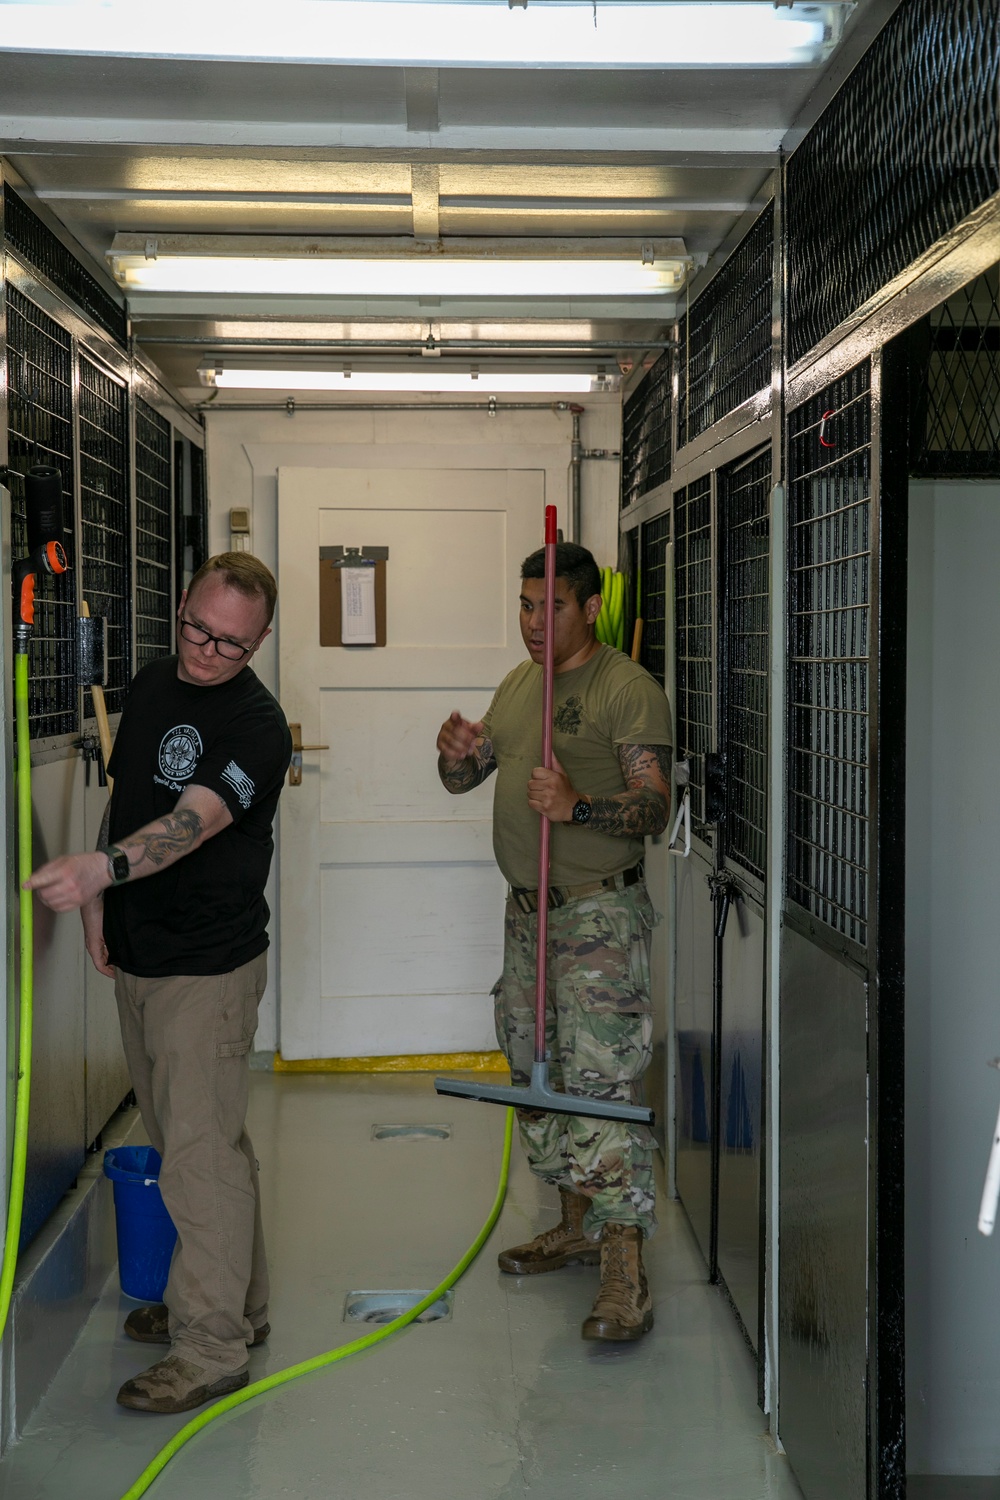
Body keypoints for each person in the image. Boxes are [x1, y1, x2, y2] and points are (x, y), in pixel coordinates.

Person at [27, 553, 292, 1413]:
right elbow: (131, 793)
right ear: (181, 608)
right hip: (141, 956)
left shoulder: (259, 725)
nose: (209, 652)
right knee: (204, 1142)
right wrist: (104, 906)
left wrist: (100, 872)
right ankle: (234, 1305)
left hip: (205, 970)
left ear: (258, 645)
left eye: (232, 644)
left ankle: (210, 1347)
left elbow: (195, 820)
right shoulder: (149, 683)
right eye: (197, 629)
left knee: (201, 1157)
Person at [435, 541, 672, 1342]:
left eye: (554, 606)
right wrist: (455, 758)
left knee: (600, 1087)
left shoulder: (625, 688)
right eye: (527, 606)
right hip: (527, 914)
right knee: (536, 1069)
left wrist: (577, 805)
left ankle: (624, 1271)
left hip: (596, 918)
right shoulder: (518, 684)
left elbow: (653, 808)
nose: (537, 623)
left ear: (590, 605)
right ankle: (575, 1223)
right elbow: (470, 781)